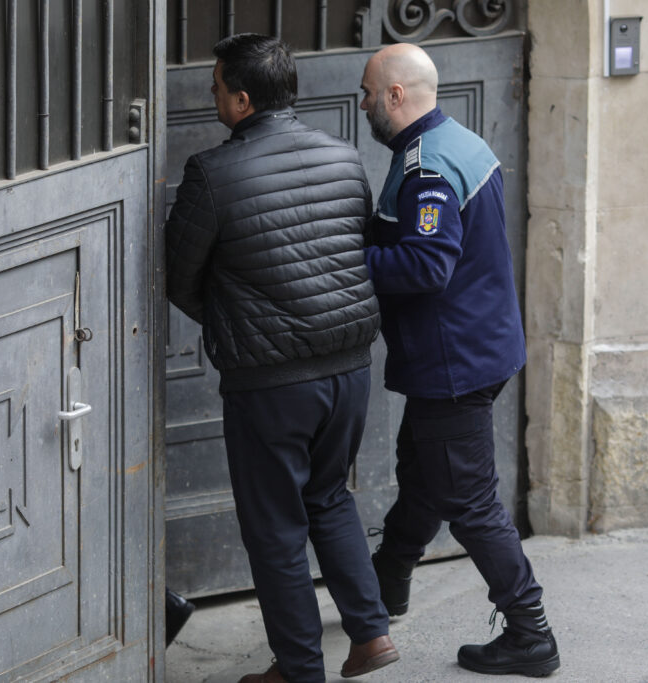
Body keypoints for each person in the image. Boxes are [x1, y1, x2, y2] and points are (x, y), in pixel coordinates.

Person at [165, 33, 398, 683]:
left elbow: (178, 277)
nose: (212, 95)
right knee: (329, 497)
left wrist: (236, 324)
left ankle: (299, 669)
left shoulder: (211, 173)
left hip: (271, 383)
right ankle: (371, 633)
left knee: (274, 529)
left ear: (242, 101)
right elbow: (355, 247)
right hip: (350, 368)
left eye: (217, 87)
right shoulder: (344, 156)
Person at [357, 43, 560, 677]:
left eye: (367, 92)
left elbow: (426, 265)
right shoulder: (462, 141)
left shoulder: (428, 167)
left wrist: (345, 261)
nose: (361, 103)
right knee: (424, 475)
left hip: (453, 363)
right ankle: (386, 586)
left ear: (395, 95)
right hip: (479, 348)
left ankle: (530, 632)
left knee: (469, 502)